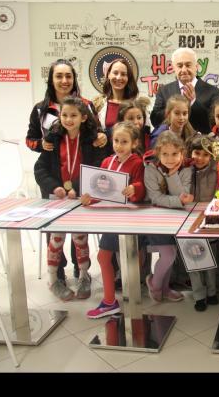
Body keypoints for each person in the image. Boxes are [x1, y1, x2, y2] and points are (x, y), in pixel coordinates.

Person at [26, 59, 106, 281]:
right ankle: (57, 273)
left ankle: (81, 271)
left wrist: (102, 137)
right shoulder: (41, 109)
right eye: (59, 76)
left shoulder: (87, 105)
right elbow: (30, 140)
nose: (64, 80)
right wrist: (42, 145)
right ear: (51, 80)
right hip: (54, 177)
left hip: (80, 183)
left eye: (68, 76)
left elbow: (96, 134)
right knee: (55, 230)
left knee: (79, 230)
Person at [33, 96, 105, 301]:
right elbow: (40, 169)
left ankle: (83, 276)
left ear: (84, 117)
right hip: (57, 199)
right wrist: (54, 186)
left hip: (80, 198)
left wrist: (77, 187)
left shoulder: (92, 140)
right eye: (64, 115)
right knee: (56, 240)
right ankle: (53, 279)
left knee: (80, 239)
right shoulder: (52, 140)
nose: (68, 119)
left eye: (73, 115)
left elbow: (97, 169)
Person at [85, 122, 146, 318]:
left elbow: (142, 188)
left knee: (127, 259)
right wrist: (89, 198)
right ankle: (110, 301)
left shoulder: (137, 163)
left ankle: (122, 300)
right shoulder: (106, 162)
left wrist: (135, 188)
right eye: (116, 141)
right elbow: (100, 190)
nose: (119, 145)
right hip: (110, 217)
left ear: (134, 143)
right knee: (104, 257)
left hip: (130, 219)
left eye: (124, 142)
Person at [143, 131, 193, 302]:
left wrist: (172, 175)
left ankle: (165, 288)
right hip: (156, 218)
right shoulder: (150, 168)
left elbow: (183, 194)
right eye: (165, 154)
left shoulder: (186, 168)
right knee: (168, 254)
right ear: (158, 153)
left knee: (171, 253)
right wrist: (179, 200)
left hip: (177, 219)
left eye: (174, 154)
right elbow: (155, 198)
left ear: (182, 153)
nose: (170, 159)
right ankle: (155, 284)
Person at [186, 135, 219, 311]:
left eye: (205, 154)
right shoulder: (186, 171)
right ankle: (199, 295)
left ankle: (212, 292)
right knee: (194, 259)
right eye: (196, 153)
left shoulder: (216, 172)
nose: (200, 158)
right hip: (189, 221)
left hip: (209, 221)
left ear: (212, 156)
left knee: (210, 259)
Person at [150, 48, 219, 134]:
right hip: (171, 140)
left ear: (196, 66)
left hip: (201, 140)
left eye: (188, 65)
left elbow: (213, 124)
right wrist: (174, 109)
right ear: (173, 68)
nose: (184, 70)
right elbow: (155, 120)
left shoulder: (213, 91)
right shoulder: (164, 90)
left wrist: (193, 102)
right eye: (179, 66)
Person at [92, 58, 140, 152]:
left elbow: (144, 134)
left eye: (123, 74)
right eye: (115, 73)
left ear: (128, 78)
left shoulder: (137, 105)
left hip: (132, 157)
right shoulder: (98, 105)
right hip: (105, 156)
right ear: (108, 75)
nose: (118, 77)